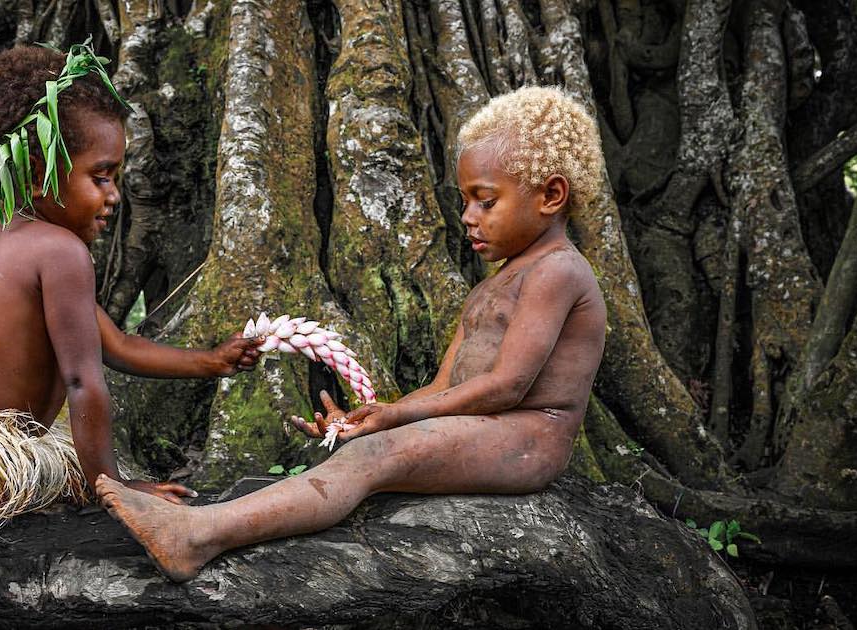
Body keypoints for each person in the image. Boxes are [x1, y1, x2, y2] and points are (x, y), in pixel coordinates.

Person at [96, 85, 609, 582]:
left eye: (486, 201)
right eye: (465, 201)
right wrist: (370, 419)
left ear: (551, 195)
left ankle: (197, 536)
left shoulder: (558, 272)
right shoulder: (493, 287)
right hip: (491, 428)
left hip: (527, 436)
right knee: (365, 448)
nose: (468, 218)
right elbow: (443, 388)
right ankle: (212, 524)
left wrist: (396, 419)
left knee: (374, 458)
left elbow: (508, 387)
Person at [0, 44, 260, 530]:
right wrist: (113, 488)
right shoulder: (59, 252)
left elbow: (114, 345)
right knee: (76, 468)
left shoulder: (9, 239)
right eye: (101, 177)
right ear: (39, 175)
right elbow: (82, 381)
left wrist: (213, 363)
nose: (114, 194)